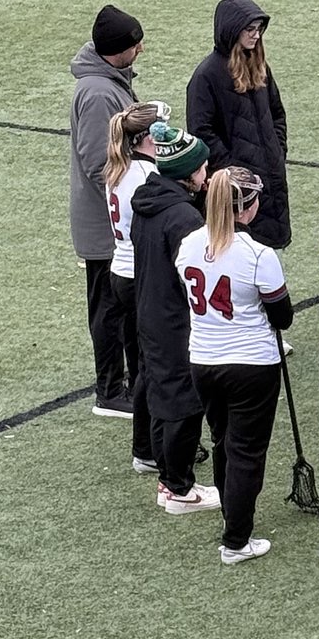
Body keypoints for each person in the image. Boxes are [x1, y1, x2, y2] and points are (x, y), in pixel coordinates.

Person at [176, 167, 293, 564]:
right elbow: (282, 316)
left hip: (203, 361)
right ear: (250, 207)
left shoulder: (188, 245)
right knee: (246, 451)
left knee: (223, 441)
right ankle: (236, 540)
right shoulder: (260, 255)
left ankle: (233, 517)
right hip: (251, 364)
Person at [131, 122, 219, 514]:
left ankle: (168, 478)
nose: (207, 174)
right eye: (202, 168)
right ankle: (178, 487)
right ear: (188, 172)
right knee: (183, 402)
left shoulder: (148, 202)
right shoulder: (183, 218)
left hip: (148, 311)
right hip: (176, 319)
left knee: (158, 393)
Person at [70, 4, 144, 419]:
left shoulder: (107, 82)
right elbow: (100, 163)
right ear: (117, 51)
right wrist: (131, 204)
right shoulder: (99, 93)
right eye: (135, 44)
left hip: (109, 221)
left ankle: (119, 384)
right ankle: (110, 390)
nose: (141, 50)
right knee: (108, 308)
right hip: (106, 226)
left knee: (115, 307)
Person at [187, 0, 290, 249]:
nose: (256, 36)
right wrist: (234, 171)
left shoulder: (260, 66)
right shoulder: (206, 76)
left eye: (259, 30)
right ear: (232, 30)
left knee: (265, 258)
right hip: (235, 193)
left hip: (268, 183)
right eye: (250, 29)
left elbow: (277, 114)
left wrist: (277, 151)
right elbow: (202, 133)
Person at [104, 100, 166, 472]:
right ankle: (147, 448)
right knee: (151, 366)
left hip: (120, 272)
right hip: (140, 276)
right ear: (146, 138)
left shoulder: (118, 169)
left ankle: (149, 443)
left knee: (141, 361)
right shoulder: (145, 176)